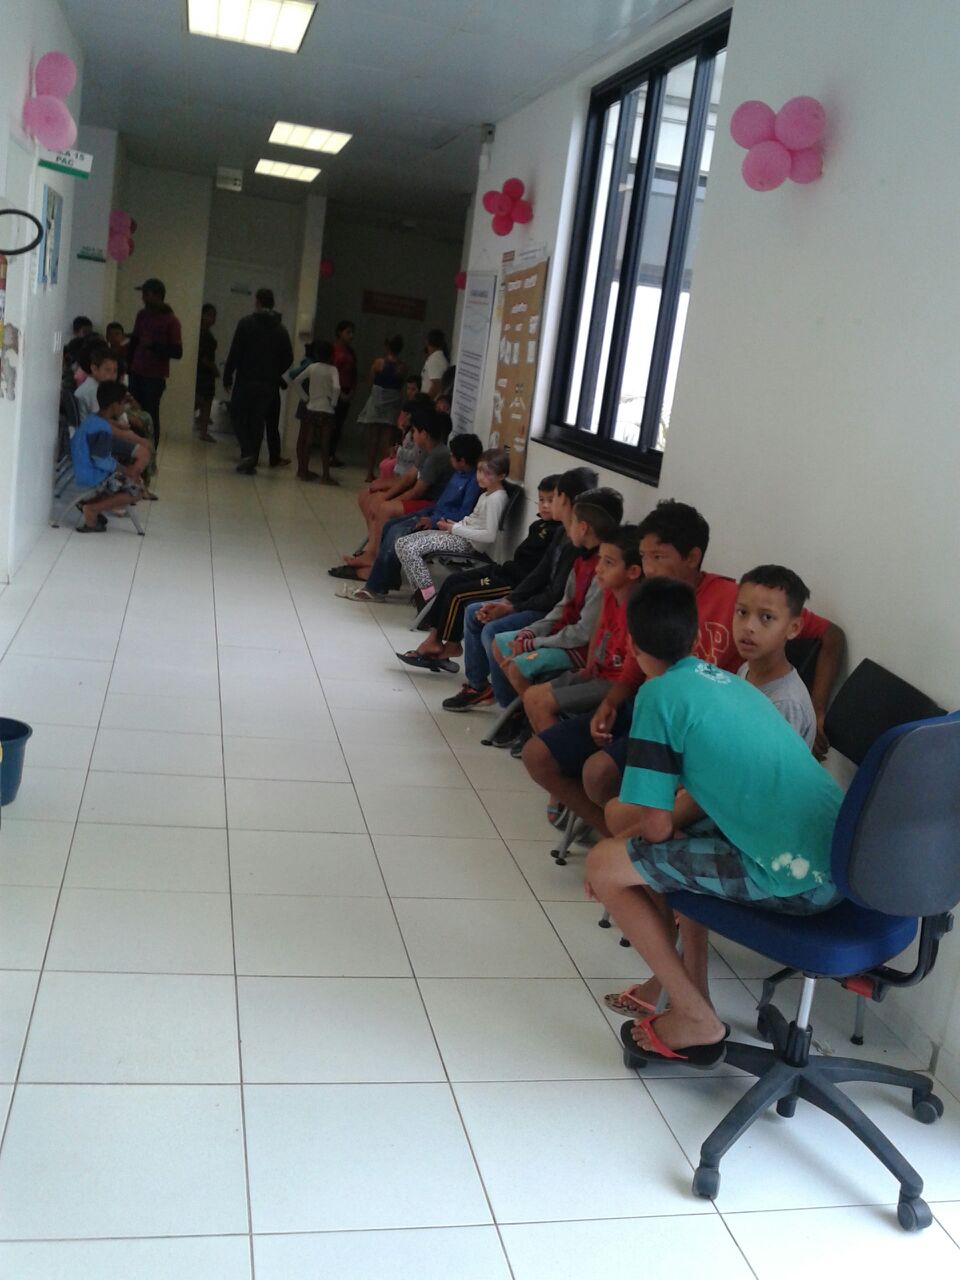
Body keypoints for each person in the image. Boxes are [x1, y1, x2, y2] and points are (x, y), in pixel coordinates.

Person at [584, 576, 843, 1063]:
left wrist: (619, 857)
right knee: (657, 850)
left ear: (633, 643)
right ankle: (692, 990)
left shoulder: (658, 697)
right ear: (696, 633)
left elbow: (654, 829)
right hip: (842, 860)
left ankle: (695, 1018)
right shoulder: (728, 680)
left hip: (798, 879)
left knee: (603, 864)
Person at [522, 499, 843, 835]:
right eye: (643, 557)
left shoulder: (736, 599)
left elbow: (830, 635)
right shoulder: (649, 597)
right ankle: (621, 836)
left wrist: (819, 707)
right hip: (654, 709)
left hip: (693, 734)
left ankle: (629, 840)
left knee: (600, 775)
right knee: (538, 755)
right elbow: (636, 660)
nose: (648, 568)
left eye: (658, 557)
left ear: (692, 557)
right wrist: (612, 702)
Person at [441, 466, 599, 712]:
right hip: (538, 602)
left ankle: (510, 708)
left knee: (492, 631)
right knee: (474, 612)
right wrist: (509, 601)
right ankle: (477, 686)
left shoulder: (578, 546)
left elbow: (556, 598)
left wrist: (512, 608)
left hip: (550, 611)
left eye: (554, 497)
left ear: (565, 500)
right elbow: (540, 574)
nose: (547, 503)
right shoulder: (561, 533)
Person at [398, 474, 560, 671]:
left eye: (551, 501)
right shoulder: (538, 525)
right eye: (541, 500)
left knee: (459, 594)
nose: (544, 506)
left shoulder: (558, 533)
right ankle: (434, 638)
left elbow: (538, 574)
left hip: (515, 582)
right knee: (452, 581)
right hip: (505, 570)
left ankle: (451, 645)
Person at [489, 487, 623, 715]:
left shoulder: (602, 573)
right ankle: (519, 710)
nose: (567, 527)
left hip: (578, 648)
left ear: (583, 527)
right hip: (561, 634)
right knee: (500, 642)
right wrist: (530, 632)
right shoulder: (581, 560)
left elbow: (583, 633)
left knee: (517, 668)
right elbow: (563, 606)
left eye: (572, 521)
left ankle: (532, 716)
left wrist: (535, 643)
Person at [523, 523, 644, 737]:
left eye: (608, 563)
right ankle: (550, 742)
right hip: (597, 672)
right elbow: (598, 630)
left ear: (633, 571)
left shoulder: (639, 608)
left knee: (542, 704)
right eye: (600, 560)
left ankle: (556, 750)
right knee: (531, 696)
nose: (599, 569)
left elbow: (632, 673)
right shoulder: (609, 593)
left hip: (615, 684)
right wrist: (589, 665)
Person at [342, 433, 484, 602]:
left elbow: (464, 514)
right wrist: (427, 513)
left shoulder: (473, 482)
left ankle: (376, 588)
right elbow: (442, 502)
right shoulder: (458, 474)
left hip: (444, 523)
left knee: (397, 532)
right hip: (434, 513)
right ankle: (387, 577)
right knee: (390, 525)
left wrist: (433, 520)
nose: (450, 459)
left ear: (462, 461)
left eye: (453, 456)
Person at [389, 448, 510, 608]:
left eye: (488, 474)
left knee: (411, 549)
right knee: (402, 543)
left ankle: (428, 601)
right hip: (460, 534)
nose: (481, 476)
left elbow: (489, 535)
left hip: (468, 543)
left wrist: (455, 529)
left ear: (501, 476)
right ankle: (421, 595)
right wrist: (454, 525)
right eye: (480, 471)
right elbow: (475, 522)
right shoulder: (486, 494)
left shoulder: (496, 499)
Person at [343, 403, 451, 569]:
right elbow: (408, 477)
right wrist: (383, 493)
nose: (413, 435)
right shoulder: (428, 450)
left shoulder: (438, 455)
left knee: (384, 508)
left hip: (431, 504)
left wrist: (386, 501)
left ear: (424, 433)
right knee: (367, 496)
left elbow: (417, 491)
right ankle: (372, 550)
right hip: (422, 497)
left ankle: (375, 557)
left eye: (414, 431)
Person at [223, 287, 294, 475]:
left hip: (246, 379)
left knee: (237, 414)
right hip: (268, 383)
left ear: (258, 302)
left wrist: (228, 374)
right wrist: (274, 372)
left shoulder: (246, 324)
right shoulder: (280, 329)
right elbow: (288, 357)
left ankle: (248, 453)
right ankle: (251, 459)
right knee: (257, 420)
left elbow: (235, 351)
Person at [74, 345, 152, 487]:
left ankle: (133, 482)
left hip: (94, 435)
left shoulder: (98, 387)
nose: (112, 375)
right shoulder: (93, 391)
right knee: (141, 448)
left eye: (115, 371)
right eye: (107, 370)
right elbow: (102, 423)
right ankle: (130, 482)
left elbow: (102, 418)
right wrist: (134, 437)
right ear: (94, 369)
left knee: (137, 432)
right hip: (94, 439)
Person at [70, 381, 144, 532]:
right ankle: (92, 509)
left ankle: (89, 504)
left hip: (83, 469)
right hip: (94, 474)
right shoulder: (102, 428)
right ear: (115, 405)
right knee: (136, 491)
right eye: (123, 403)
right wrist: (125, 470)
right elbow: (100, 460)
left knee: (123, 482)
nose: (124, 408)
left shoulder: (92, 420)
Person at [127, 278, 182, 446]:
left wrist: (153, 346)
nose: (143, 298)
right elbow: (135, 341)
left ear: (157, 296)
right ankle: (133, 448)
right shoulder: (141, 315)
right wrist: (127, 365)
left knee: (150, 415)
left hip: (154, 377)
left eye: (146, 294)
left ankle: (150, 450)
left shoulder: (171, 321)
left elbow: (177, 352)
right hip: (136, 372)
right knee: (133, 412)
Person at [288, 339, 340, 484]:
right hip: (326, 409)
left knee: (308, 441)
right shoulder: (333, 370)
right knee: (325, 442)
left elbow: (296, 381)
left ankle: (304, 471)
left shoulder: (312, 367)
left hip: (311, 408)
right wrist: (334, 402)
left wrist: (305, 397)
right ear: (331, 355)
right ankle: (326, 476)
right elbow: (336, 388)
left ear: (317, 354)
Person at [357, 334, 405, 482]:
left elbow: (370, 381)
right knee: (387, 441)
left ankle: (369, 472)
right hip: (392, 403)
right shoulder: (402, 367)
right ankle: (385, 474)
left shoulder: (378, 363)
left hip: (377, 401)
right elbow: (401, 386)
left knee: (373, 439)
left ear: (387, 346)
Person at [330, 320, 357, 466]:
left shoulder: (350, 352)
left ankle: (332, 453)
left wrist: (352, 391)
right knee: (331, 424)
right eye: (348, 332)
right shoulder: (333, 350)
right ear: (340, 332)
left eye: (352, 333)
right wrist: (339, 393)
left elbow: (354, 373)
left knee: (339, 425)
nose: (351, 336)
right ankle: (327, 454)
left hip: (347, 390)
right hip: (335, 391)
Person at [194, 303, 218, 443]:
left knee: (205, 400)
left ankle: (203, 430)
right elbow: (204, 357)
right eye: (209, 315)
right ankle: (203, 431)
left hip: (204, 372)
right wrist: (214, 368)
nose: (212, 318)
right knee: (203, 400)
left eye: (214, 315)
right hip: (204, 372)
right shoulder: (203, 334)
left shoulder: (205, 332)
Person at [421, 330, 449, 400]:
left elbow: (436, 385)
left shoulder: (435, 359)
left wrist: (426, 402)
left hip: (432, 401)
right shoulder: (436, 357)